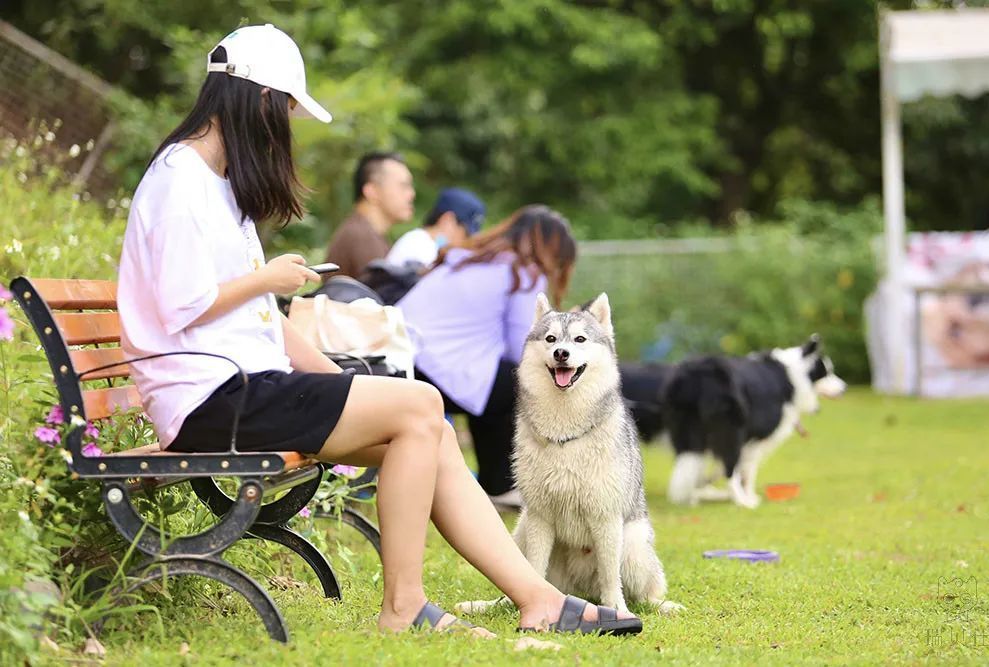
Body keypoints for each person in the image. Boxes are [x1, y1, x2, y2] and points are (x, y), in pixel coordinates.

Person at [116, 24, 639, 637]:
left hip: (242, 388)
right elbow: (183, 307)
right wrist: (269, 280)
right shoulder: (181, 181)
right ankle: (404, 608)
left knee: (432, 431)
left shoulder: (218, 189)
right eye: (286, 108)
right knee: (420, 405)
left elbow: (262, 324)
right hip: (211, 399)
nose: (286, 125)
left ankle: (539, 599)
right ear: (260, 99)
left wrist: (344, 386)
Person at [396, 205, 576, 509]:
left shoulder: (467, 258)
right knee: (530, 381)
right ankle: (506, 483)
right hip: (434, 370)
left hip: (399, 360)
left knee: (497, 383)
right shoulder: (523, 272)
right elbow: (524, 347)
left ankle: (498, 482)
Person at [324, 151, 414, 279]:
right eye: (403, 186)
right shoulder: (360, 237)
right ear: (372, 191)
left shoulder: (367, 233)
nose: (411, 194)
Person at [385, 188, 486, 268]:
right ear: (448, 220)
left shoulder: (425, 242)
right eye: (466, 233)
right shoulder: (421, 247)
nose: (467, 241)